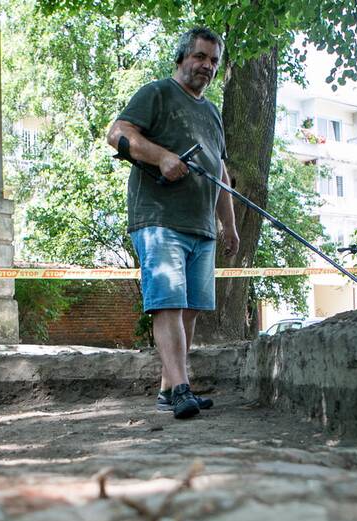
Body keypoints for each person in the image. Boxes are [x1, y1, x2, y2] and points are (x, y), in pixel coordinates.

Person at [106, 26, 239, 420]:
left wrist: (228, 225)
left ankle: (168, 390)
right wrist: (162, 156)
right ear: (182, 57)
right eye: (200, 57)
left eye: (214, 61)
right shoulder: (157, 94)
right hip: (159, 219)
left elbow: (221, 173)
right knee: (169, 303)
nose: (207, 66)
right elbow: (117, 134)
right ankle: (183, 387)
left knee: (191, 308)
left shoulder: (211, 113)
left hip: (201, 226)